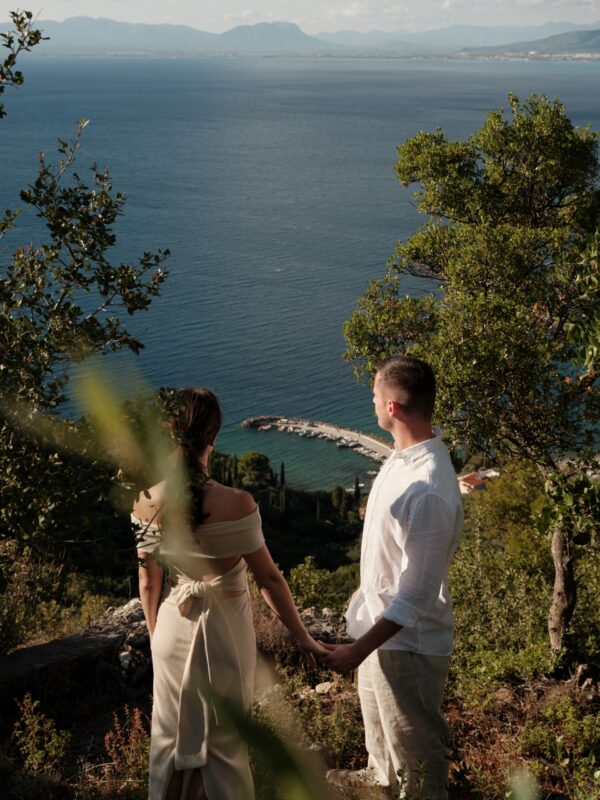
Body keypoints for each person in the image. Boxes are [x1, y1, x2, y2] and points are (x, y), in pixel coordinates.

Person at [133, 387, 325, 800]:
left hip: (171, 627)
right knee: (226, 743)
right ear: (213, 436)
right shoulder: (238, 502)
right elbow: (269, 579)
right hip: (226, 633)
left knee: (169, 738)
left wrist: (154, 635)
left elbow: (148, 581)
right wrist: (303, 637)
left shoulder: (146, 502)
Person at [321, 356, 463, 800]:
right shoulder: (402, 457)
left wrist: (357, 650)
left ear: (393, 407)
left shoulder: (428, 487)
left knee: (416, 755)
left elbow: (417, 594)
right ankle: (380, 782)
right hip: (381, 630)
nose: (371, 401)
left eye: (375, 395)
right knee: (382, 741)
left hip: (407, 645)